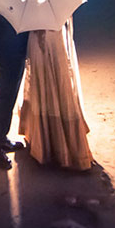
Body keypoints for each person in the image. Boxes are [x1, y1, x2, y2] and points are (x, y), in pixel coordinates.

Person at [18, 18, 93, 170]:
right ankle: (50, 141)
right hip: (47, 35)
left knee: (51, 80)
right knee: (49, 81)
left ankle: (48, 143)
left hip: (48, 36)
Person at [0, 9, 28, 169]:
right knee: (4, 97)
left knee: (8, 96)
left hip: (11, 50)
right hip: (6, 51)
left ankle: (1, 138)